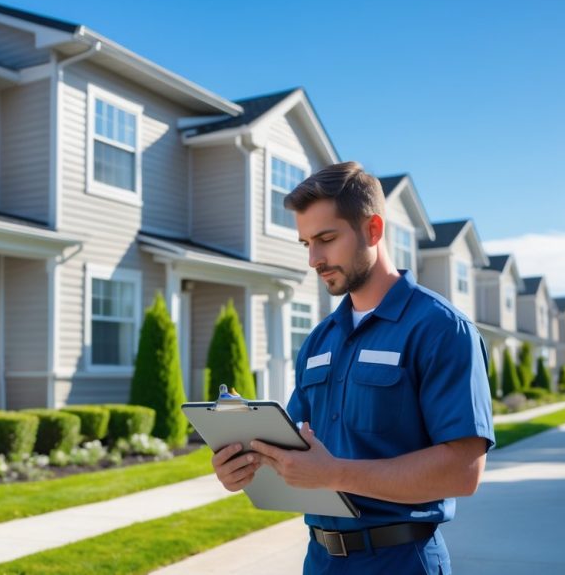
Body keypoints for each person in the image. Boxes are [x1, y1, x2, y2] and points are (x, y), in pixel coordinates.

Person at [211, 162, 495, 574]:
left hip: (401, 561)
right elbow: (297, 449)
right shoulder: (318, 341)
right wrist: (245, 465)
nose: (314, 259)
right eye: (306, 243)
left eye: (326, 239)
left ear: (373, 230)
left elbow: (463, 472)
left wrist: (335, 474)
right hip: (320, 560)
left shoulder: (441, 329)